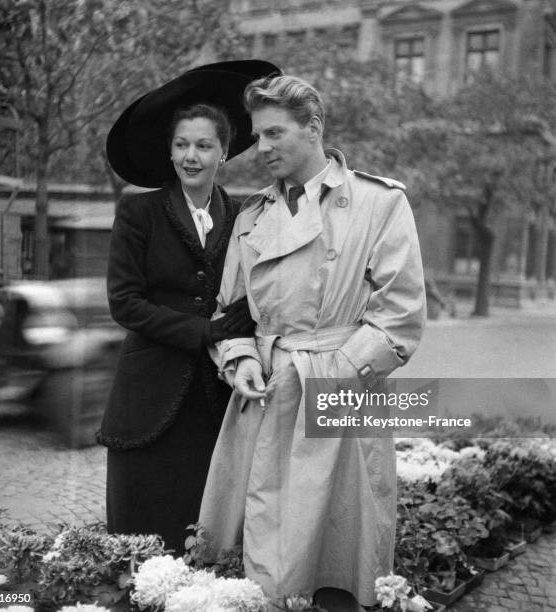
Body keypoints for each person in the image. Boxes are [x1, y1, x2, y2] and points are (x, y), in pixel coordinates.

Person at [199, 75, 427, 610]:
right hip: (265, 393)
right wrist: (241, 360)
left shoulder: (378, 203)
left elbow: (399, 317)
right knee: (257, 545)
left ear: (314, 128)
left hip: (341, 392)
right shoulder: (252, 213)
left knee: (337, 551)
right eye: (257, 137)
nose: (264, 148)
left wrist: (330, 375)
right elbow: (230, 312)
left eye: (275, 133)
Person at [97, 60, 279, 554]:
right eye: (181, 145)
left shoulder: (245, 216)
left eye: (203, 145)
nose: (190, 156)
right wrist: (206, 330)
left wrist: (238, 330)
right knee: (139, 537)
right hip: (148, 396)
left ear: (224, 152)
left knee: (202, 533)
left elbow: (252, 295)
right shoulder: (139, 212)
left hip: (213, 400)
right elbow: (126, 304)